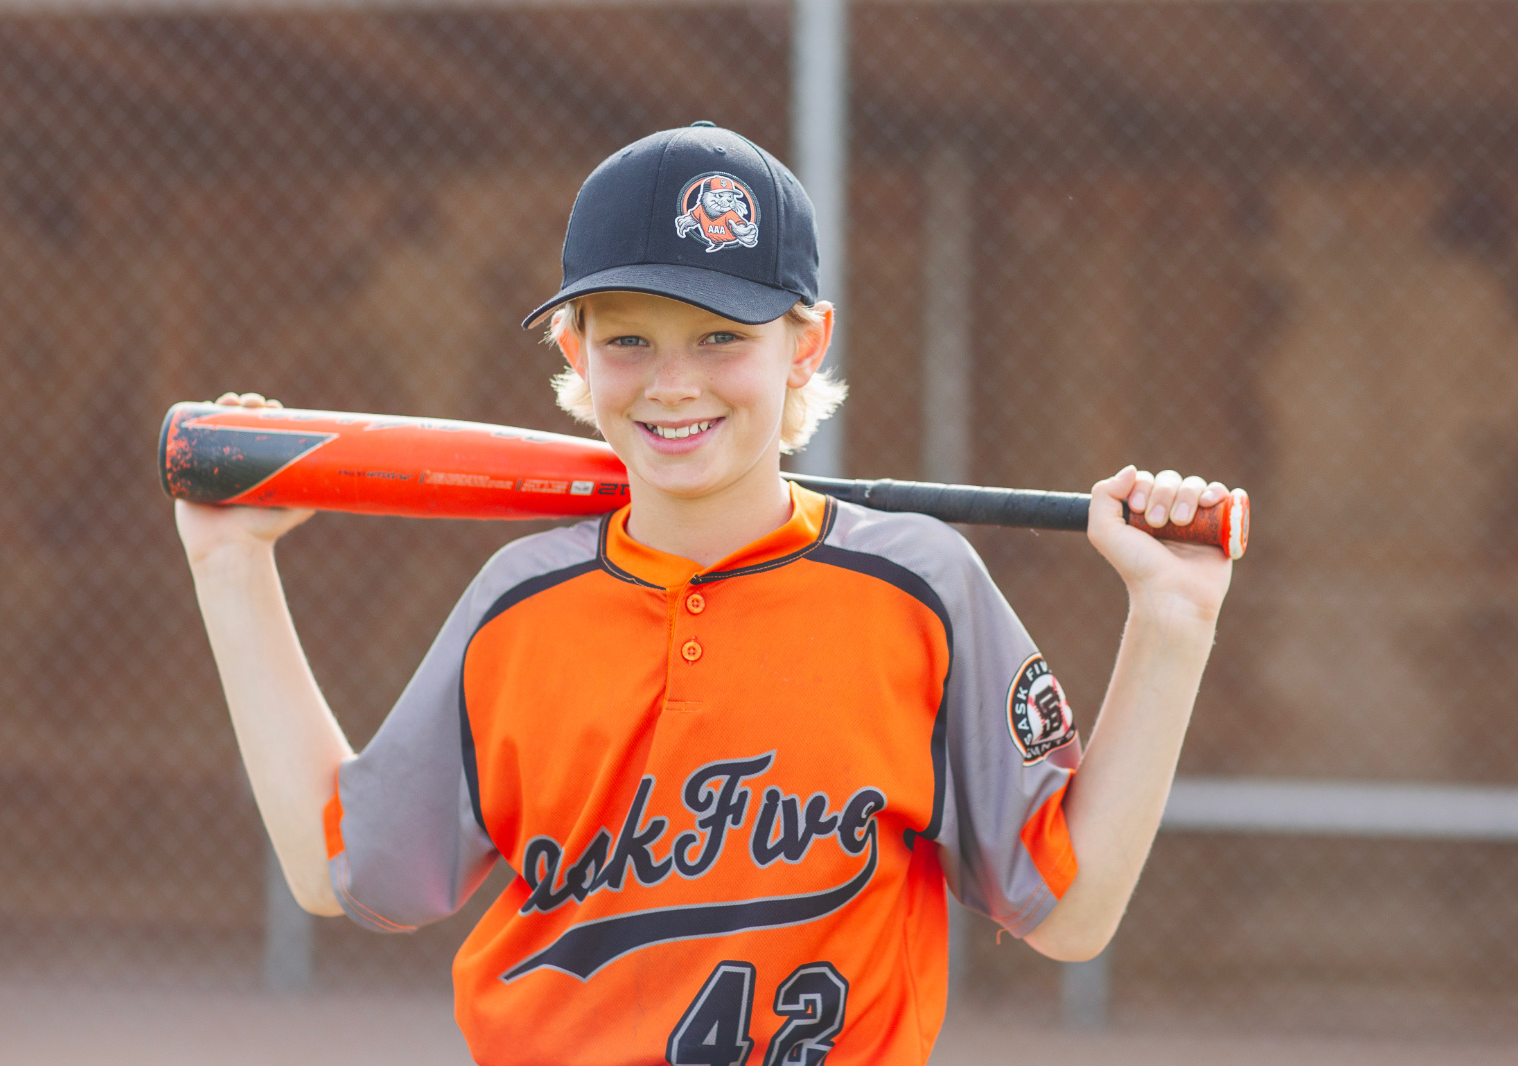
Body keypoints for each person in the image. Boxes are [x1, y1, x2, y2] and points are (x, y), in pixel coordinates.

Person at [176, 123, 1234, 1064]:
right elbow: (345, 868)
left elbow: (1069, 911)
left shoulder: (918, 590)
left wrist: (1172, 621)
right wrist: (232, 565)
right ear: (575, 351)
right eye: (628, 338)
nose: (673, 382)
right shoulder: (519, 604)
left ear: (805, 344)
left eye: (721, 335)